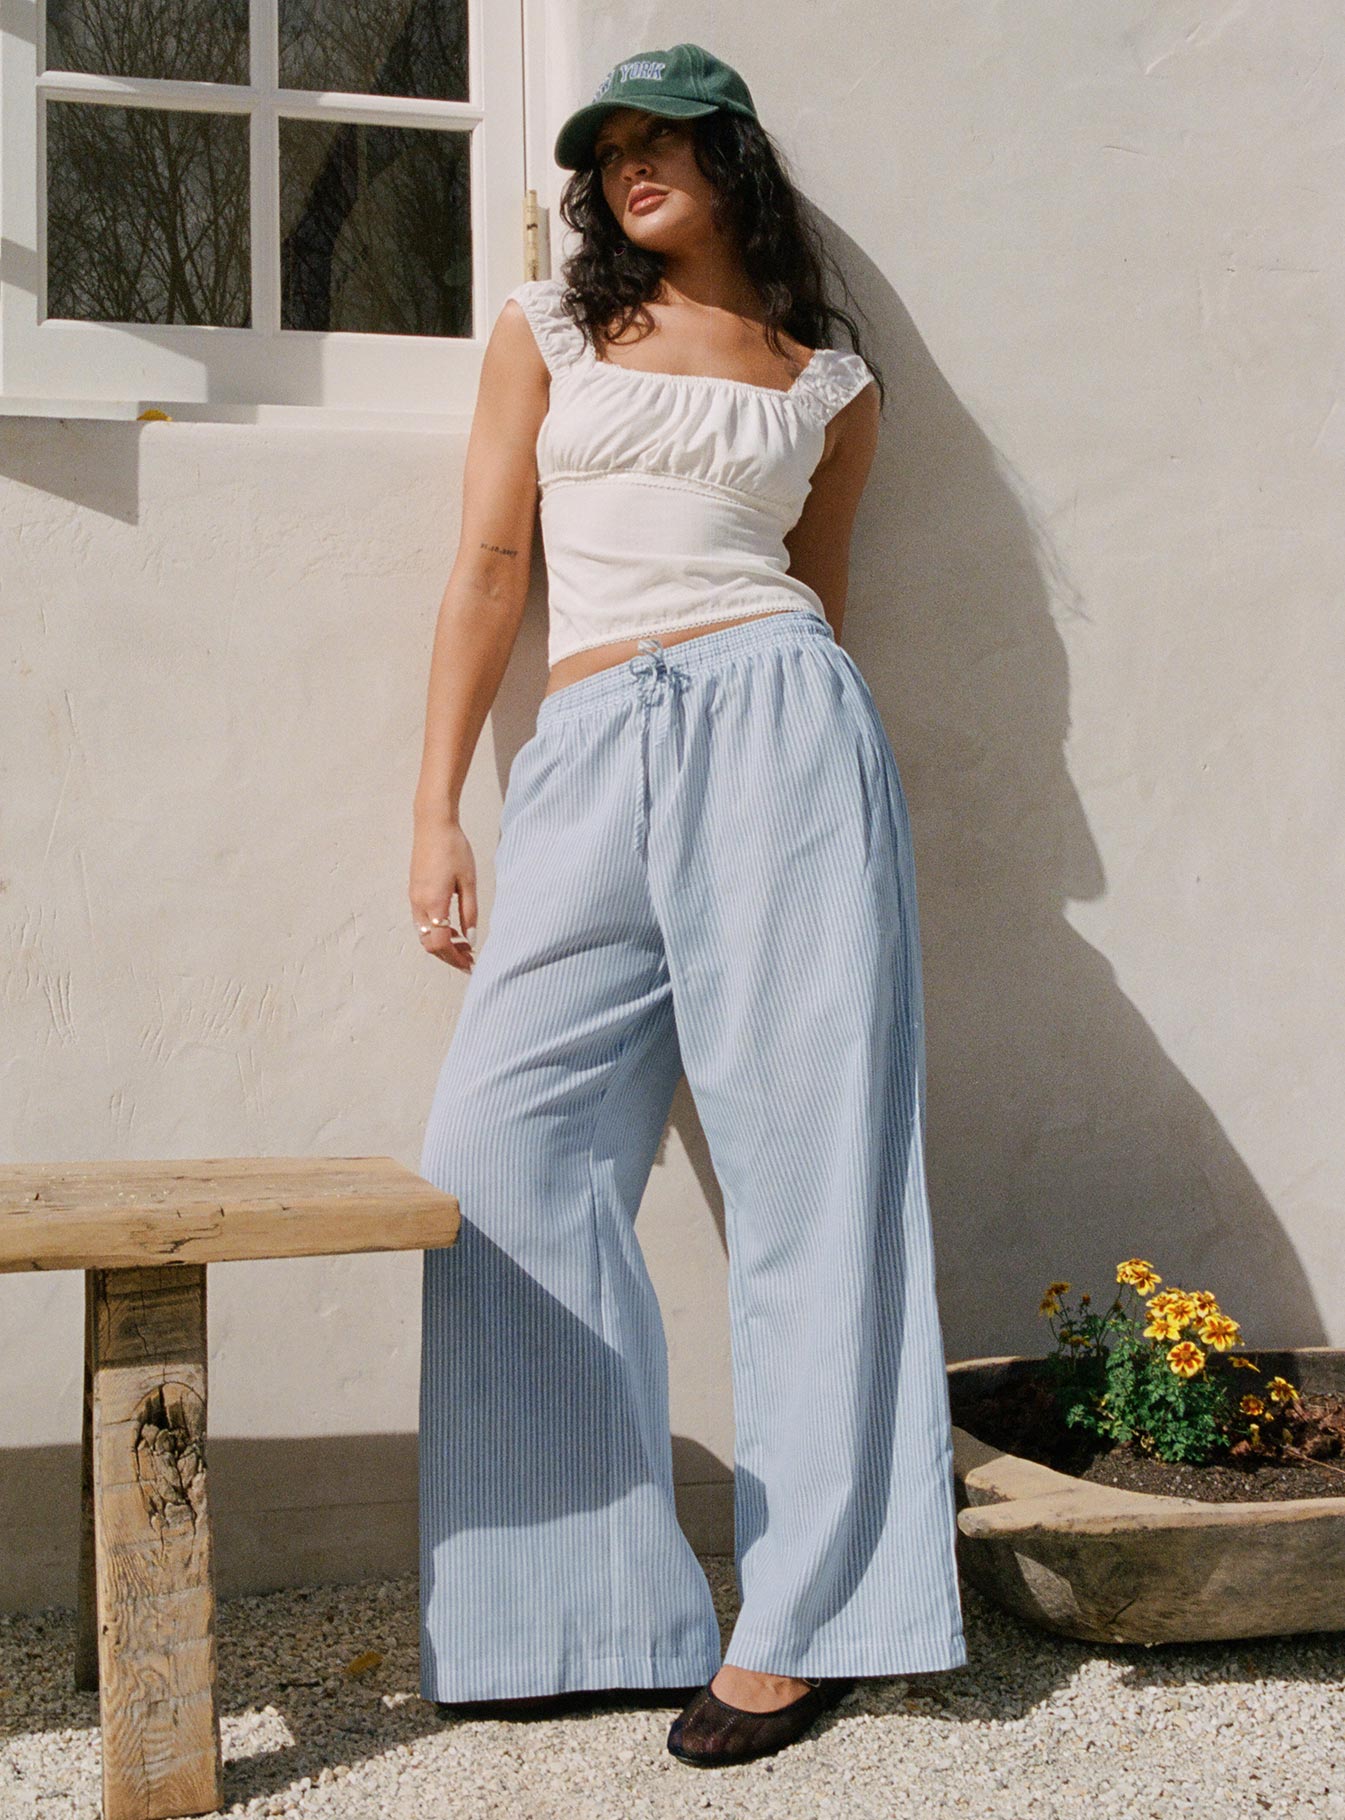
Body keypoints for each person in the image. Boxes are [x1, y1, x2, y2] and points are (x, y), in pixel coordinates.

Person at [410, 41, 968, 1770]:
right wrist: (435, 808)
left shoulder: (827, 386)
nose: (631, 169)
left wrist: (793, 788)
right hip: (583, 745)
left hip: (781, 730)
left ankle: (818, 1619)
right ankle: (575, 1604)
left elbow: (822, 591)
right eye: (609, 150)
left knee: (817, 1173)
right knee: (500, 1157)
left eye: (664, 141)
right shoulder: (548, 331)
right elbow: (494, 564)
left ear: (734, 160)